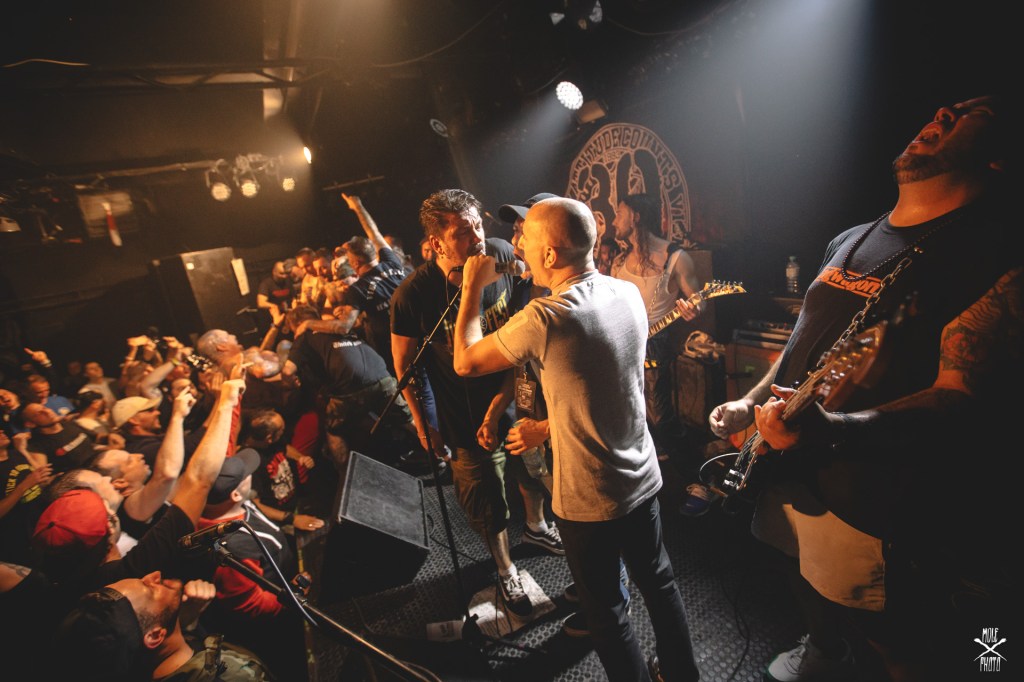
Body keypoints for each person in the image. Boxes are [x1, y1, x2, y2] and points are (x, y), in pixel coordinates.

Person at [708, 94, 1018, 682]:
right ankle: (825, 652)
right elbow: (805, 342)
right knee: (798, 567)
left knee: (896, 639)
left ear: (999, 158)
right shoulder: (852, 238)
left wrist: (834, 429)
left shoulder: (993, 253)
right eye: (944, 109)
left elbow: (960, 394)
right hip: (787, 468)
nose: (942, 115)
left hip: (870, 496)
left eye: (971, 115)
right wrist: (749, 404)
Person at [453, 196, 700, 682]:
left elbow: (464, 360)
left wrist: (471, 287)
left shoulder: (545, 317)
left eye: (526, 237)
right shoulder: (627, 292)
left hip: (589, 496)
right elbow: (604, 390)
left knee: (607, 613)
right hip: (642, 476)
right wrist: (548, 426)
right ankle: (682, 674)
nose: (517, 245)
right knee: (660, 583)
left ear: (549, 254)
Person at [391, 188, 560, 619]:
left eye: (478, 225)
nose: (478, 237)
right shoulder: (413, 295)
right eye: (464, 232)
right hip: (462, 414)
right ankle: (505, 568)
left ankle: (537, 527)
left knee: (532, 469)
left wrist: (504, 402)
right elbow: (405, 366)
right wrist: (423, 424)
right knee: (487, 500)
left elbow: (521, 330)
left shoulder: (501, 254)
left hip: (516, 395)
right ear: (436, 243)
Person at [610, 192, 710, 515]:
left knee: (661, 418)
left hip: (655, 345)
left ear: (636, 216)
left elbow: (699, 300)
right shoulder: (619, 261)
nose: (614, 220)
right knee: (628, 417)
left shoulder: (675, 257)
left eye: (619, 213)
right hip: (622, 345)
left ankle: (701, 481)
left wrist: (693, 308)